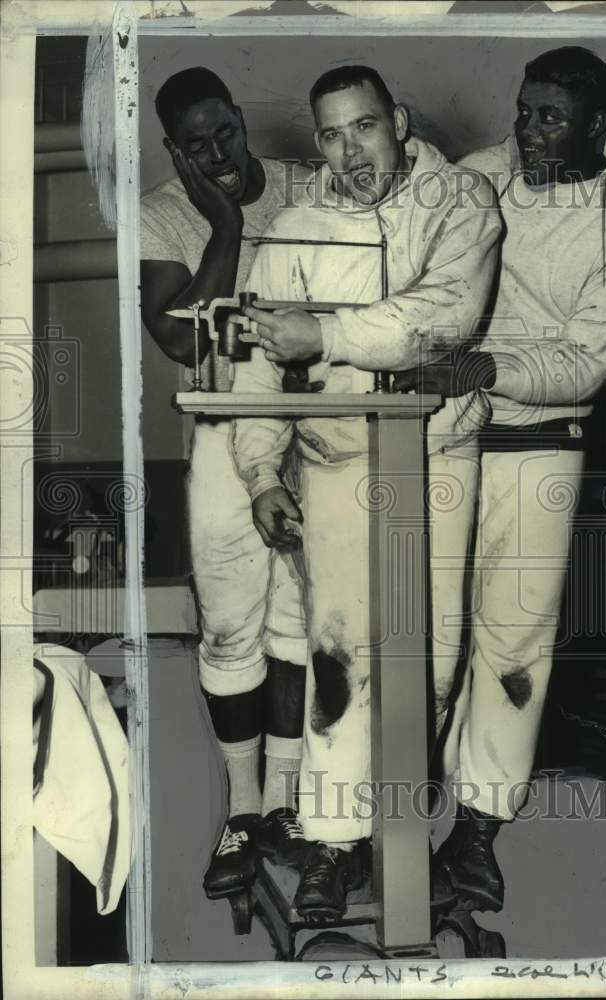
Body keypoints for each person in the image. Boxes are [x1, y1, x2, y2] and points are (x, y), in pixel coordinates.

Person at [394, 46, 606, 912]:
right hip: (445, 428)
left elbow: (587, 362)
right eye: (522, 112)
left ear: (597, 124)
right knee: (422, 633)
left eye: (549, 118)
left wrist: (481, 368)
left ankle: (474, 836)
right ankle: (392, 820)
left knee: (512, 645)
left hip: (541, 435)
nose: (527, 132)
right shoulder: (484, 176)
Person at [231, 65, 501, 921]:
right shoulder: (294, 229)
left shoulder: (459, 201)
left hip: (438, 460)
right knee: (341, 659)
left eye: (366, 127)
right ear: (317, 143)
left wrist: (332, 332)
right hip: (340, 465)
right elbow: (260, 364)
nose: (351, 149)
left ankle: (402, 833)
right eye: (333, 133)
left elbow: (446, 313)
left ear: (400, 121)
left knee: (434, 656)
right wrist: (261, 470)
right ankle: (333, 843)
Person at [139, 67, 314, 902]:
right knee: (233, 630)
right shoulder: (161, 212)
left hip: (318, 425)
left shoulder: (307, 187)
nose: (216, 153)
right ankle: (243, 809)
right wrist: (225, 226)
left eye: (226, 133)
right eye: (195, 145)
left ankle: (283, 805)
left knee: (299, 622)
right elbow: (185, 349)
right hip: (218, 438)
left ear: (242, 121)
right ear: (174, 148)